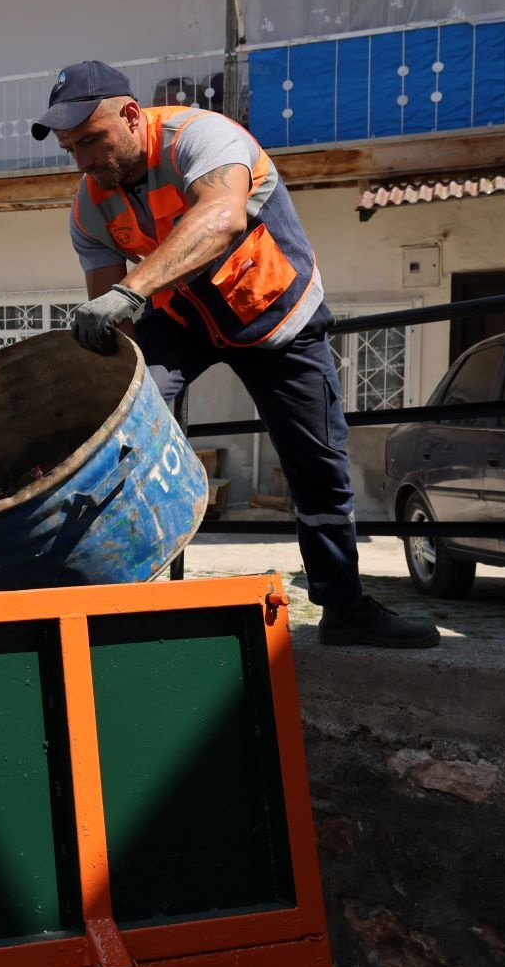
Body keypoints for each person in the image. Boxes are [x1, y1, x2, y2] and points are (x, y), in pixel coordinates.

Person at [34, 61, 437, 648]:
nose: (84, 161)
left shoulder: (203, 137)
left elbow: (221, 218)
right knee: (121, 423)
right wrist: (106, 372)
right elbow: (112, 322)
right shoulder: (90, 207)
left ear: (129, 115)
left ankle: (345, 609)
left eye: (91, 140)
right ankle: (117, 594)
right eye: (71, 149)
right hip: (181, 322)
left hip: (276, 316)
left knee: (317, 465)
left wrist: (130, 292)